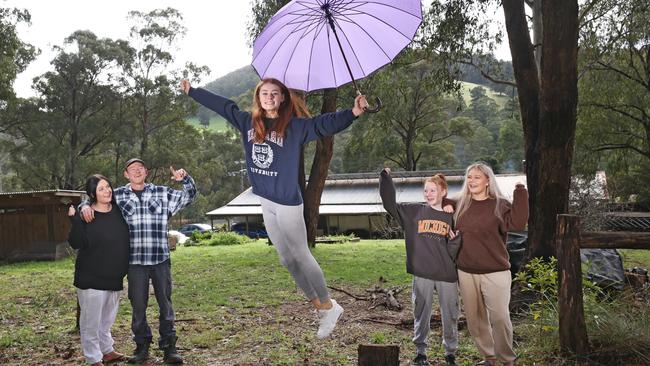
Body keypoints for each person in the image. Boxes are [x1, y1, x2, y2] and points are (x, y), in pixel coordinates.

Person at [181, 78, 367, 338]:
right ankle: (320, 306)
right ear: (258, 97)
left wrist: (354, 112)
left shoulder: (295, 127)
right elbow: (223, 106)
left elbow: (323, 124)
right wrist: (193, 92)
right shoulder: (248, 122)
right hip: (266, 201)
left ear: (282, 98)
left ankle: (328, 305)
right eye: (264, 93)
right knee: (286, 259)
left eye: (274, 94)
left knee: (301, 254)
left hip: (288, 203)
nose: (269, 97)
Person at [80, 159, 196, 364]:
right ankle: (142, 347)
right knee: (138, 306)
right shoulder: (118, 195)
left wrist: (185, 179)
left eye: (140, 168)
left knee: (165, 304)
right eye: (132, 169)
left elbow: (189, 196)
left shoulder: (162, 193)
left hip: (160, 259)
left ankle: (169, 347)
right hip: (134, 262)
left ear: (146, 172)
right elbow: (97, 195)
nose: (137, 171)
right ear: (126, 174)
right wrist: (85, 204)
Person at [379, 168, 461, 366]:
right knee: (421, 311)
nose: (428, 194)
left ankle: (450, 353)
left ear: (443, 192)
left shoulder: (453, 215)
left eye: (433, 190)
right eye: (426, 191)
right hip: (422, 273)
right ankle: (420, 352)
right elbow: (390, 205)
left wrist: (455, 240)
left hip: (447, 274)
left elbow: (455, 249)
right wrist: (385, 179)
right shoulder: (414, 211)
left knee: (450, 314)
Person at [452, 162, 528, 366]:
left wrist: (520, 191)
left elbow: (519, 223)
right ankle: (490, 357)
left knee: (500, 318)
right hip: (466, 271)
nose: (472, 181)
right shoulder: (459, 204)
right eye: (469, 177)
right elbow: (435, 204)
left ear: (487, 181)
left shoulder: (499, 204)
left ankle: (507, 360)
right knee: (475, 321)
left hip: (496, 271)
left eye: (477, 177)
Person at [68, 174, 130, 366]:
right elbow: (75, 242)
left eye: (108, 186)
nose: (107, 191)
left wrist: (83, 203)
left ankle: (107, 350)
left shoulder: (119, 210)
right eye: (101, 188)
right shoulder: (85, 214)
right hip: (91, 277)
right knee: (90, 321)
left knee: (107, 320)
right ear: (92, 194)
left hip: (114, 276)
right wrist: (76, 218)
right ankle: (93, 357)